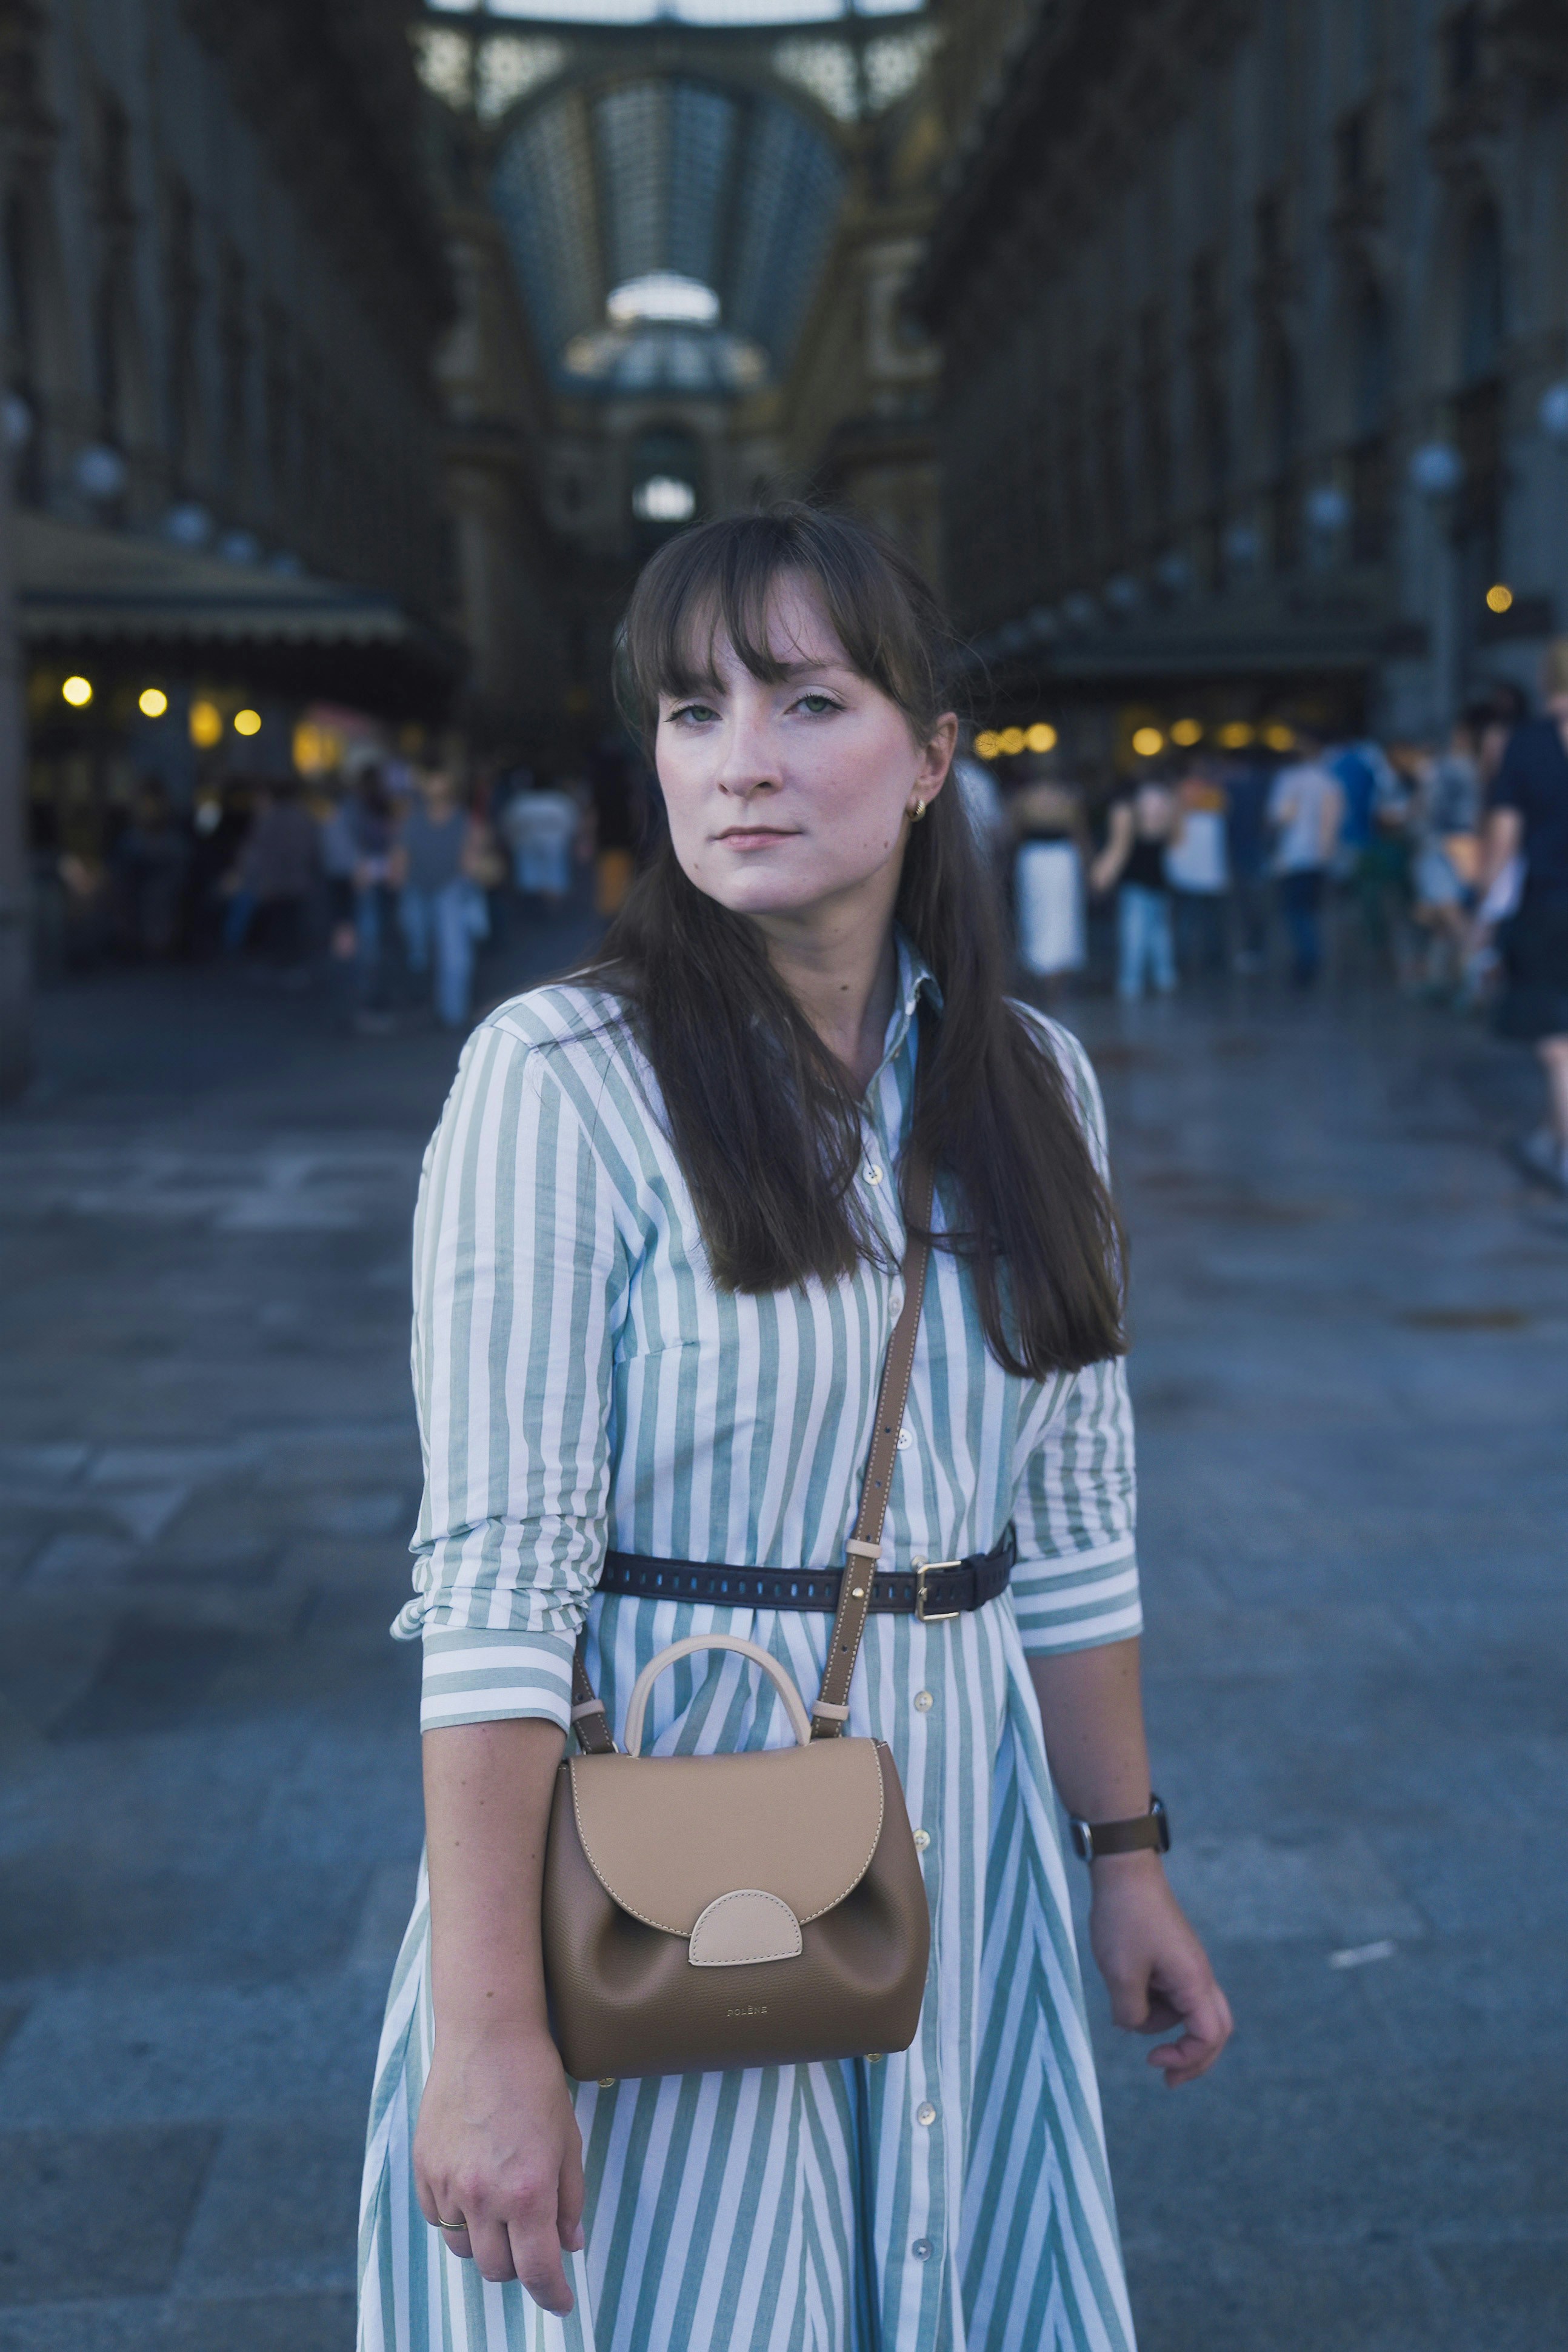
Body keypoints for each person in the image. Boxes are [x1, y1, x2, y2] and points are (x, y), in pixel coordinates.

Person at [358, 504, 1230, 2352]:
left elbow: (1069, 1527)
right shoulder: (560, 1079)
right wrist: (490, 2039)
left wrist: (1124, 1860)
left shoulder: (1028, 1082)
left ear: (929, 760)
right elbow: (496, 1593)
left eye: (805, 702)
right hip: (661, 1849)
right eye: (689, 712)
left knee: (949, 2280)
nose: (737, 763)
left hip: (960, 1852)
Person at [1481, 640, 1568, 1192]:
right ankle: (1547, 1136)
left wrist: (1485, 909)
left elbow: (1503, 837)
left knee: (1558, 1043)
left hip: (1548, 904)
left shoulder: (1528, 744)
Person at [396, 768, 486, 1030]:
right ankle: (423, 990)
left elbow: (474, 858)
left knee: (455, 952)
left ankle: (452, 1012)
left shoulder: (465, 821)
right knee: (418, 950)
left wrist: (477, 858)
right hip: (416, 890)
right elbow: (400, 859)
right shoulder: (412, 820)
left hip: (450, 889)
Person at [1409, 710, 1484, 998]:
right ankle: (1441, 978)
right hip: (1466, 843)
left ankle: (1480, 973)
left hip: (1443, 844)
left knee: (1447, 913)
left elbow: (1427, 808)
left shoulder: (1442, 768)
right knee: (1443, 918)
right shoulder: (1480, 768)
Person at [1090, 769, 1179, 998]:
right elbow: (1176, 840)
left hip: (1136, 882)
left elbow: (1118, 848)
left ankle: (1131, 984)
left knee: (1135, 937)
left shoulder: (1127, 812)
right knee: (1159, 936)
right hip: (1158, 880)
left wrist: (1100, 875)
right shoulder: (1167, 807)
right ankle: (1164, 980)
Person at [1267, 729, 1344, 986]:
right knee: (1311, 911)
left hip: (1293, 856)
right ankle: (1312, 957)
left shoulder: (1289, 780)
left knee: (1296, 912)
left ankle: (1306, 960)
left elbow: (1279, 817)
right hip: (1319, 856)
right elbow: (1334, 821)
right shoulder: (1330, 781)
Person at [1010, 767, 1086, 992]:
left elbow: (1013, 830)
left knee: (1061, 913)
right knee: (1038, 911)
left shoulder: (1060, 799)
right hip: (1041, 856)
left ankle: (1053, 969)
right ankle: (1041, 966)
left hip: (1054, 856)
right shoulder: (1029, 799)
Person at [237, 777, 319, 971]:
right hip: (297, 881)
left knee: (276, 924)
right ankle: (290, 961)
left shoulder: (269, 818)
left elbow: (260, 851)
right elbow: (312, 850)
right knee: (291, 924)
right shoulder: (303, 818)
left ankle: (277, 961)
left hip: (274, 882)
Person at [1166, 760, 1231, 977]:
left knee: (1191, 917)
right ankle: (1210, 960)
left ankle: (1187, 961)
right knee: (1205, 918)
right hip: (1202, 867)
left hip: (1193, 867)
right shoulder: (1215, 795)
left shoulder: (1188, 795)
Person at [499, 775, 582, 908]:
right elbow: (573, 825)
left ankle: (535, 914)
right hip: (554, 849)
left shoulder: (521, 803)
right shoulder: (560, 802)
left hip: (529, 848)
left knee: (531, 884)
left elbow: (508, 826)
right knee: (552, 886)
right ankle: (550, 914)